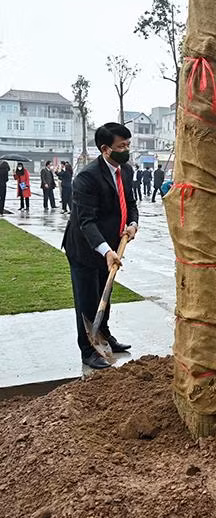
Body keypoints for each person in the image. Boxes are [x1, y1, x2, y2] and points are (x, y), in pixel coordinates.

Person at [62, 122, 139, 370]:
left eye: (128, 145)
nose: (126, 150)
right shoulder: (87, 177)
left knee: (106, 295)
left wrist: (133, 225)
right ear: (105, 149)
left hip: (113, 246)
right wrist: (105, 250)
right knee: (88, 300)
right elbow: (85, 221)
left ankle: (104, 336)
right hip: (85, 249)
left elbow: (131, 203)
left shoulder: (124, 170)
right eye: (121, 146)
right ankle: (88, 349)